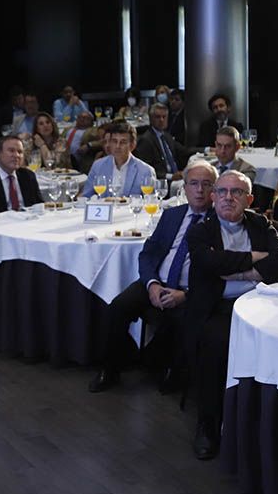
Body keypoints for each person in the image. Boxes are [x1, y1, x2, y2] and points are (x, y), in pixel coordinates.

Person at [184, 170, 278, 459]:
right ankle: (208, 425)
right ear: (213, 197)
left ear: (250, 199)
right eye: (222, 192)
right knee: (216, 346)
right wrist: (255, 261)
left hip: (261, 304)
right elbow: (208, 262)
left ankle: (269, 425)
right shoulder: (200, 230)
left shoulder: (260, 224)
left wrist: (233, 269)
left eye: (237, 192)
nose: (228, 198)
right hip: (217, 306)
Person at [88, 160, 217, 394]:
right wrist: (152, 284)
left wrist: (185, 295)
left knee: (182, 320)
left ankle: (172, 370)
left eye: (206, 184)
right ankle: (109, 369)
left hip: (189, 291)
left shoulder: (219, 222)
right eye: (194, 184)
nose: (199, 190)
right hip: (157, 282)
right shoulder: (172, 215)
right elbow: (148, 253)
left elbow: (217, 273)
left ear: (215, 190)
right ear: (184, 188)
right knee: (118, 307)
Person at [83, 122, 155, 198]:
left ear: (132, 146)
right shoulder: (98, 166)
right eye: (114, 141)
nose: (117, 146)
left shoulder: (146, 171)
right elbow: (87, 196)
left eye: (123, 142)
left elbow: (151, 202)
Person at [135, 102, 190, 180]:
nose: (161, 120)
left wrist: (207, 149)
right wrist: (171, 176)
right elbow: (145, 171)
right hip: (163, 182)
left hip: (178, 177)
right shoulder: (146, 140)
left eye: (164, 117)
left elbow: (184, 151)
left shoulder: (166, 136)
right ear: (151, 119)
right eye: (158, 117)